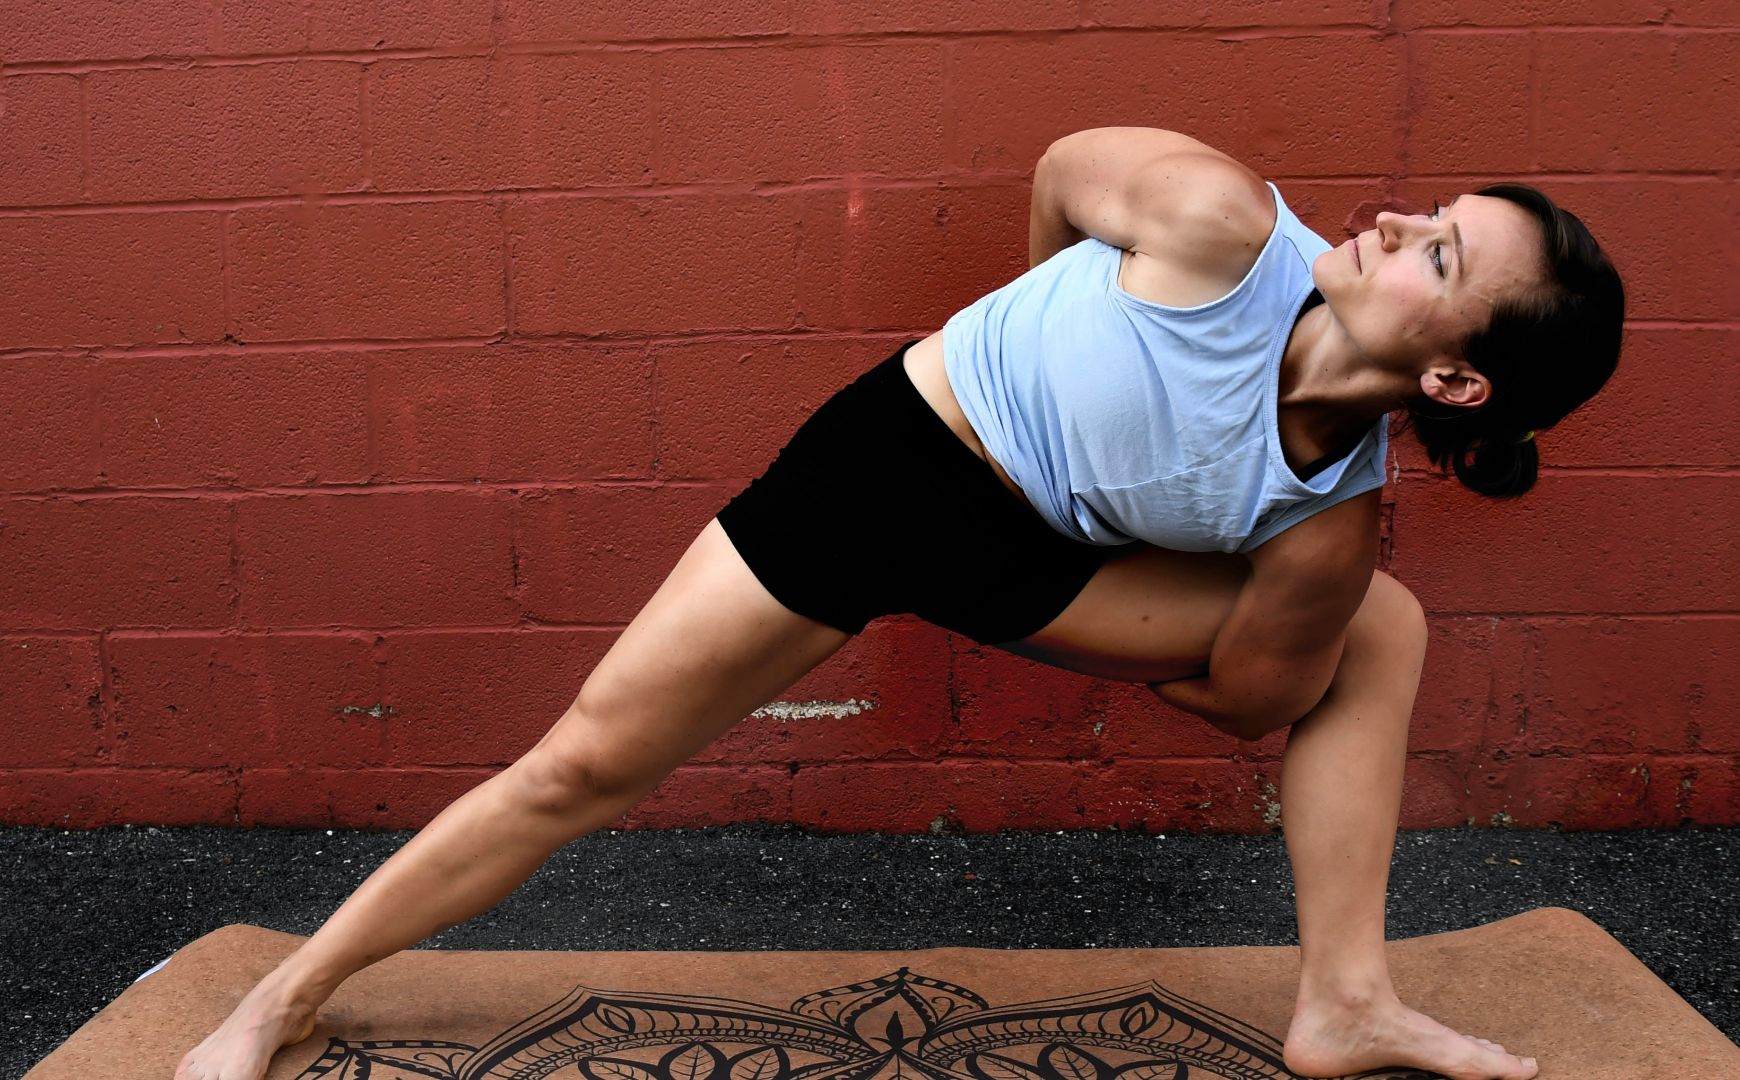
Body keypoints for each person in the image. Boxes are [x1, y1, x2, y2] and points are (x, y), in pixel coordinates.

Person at [175, 126, 1623, 1080]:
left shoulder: (1326, 522)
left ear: (1455, 382)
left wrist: (1100, 609)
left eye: (1438, 252)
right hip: (892, 464)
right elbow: (1064, 170)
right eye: (1434, 210)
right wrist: (1054, 336)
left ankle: (1344, 1001)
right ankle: (290, 995)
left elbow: (1253, 698)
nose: (1390, 221)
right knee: (583, 763)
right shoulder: (1214, 219)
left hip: (1043, 562)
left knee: (1379, 621)